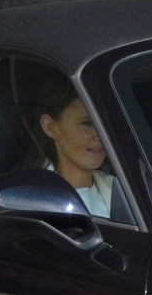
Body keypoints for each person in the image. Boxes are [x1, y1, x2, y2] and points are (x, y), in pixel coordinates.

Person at [28, 80, 122, 218]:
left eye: (105, 124)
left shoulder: (125, 192)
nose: (100, 135)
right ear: (50, 127)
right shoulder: (28, 199)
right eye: (88, 123)